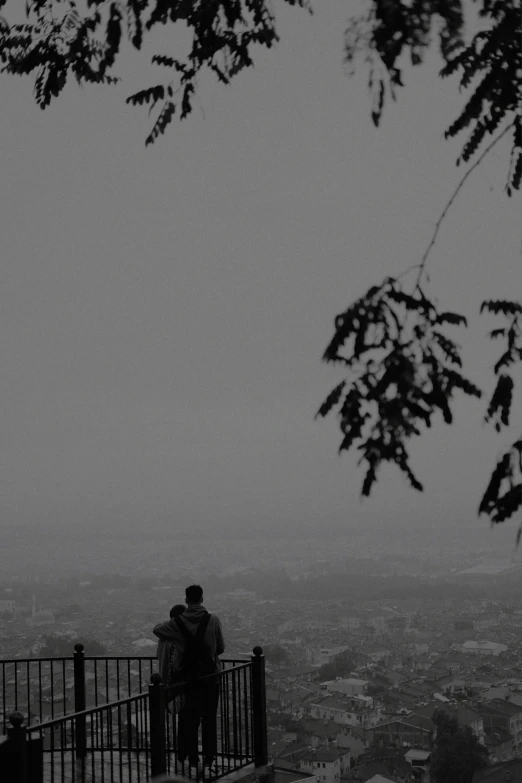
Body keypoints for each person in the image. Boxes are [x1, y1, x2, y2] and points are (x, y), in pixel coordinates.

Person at [153, 584, 225, 770]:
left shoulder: (177, 623)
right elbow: (221, 648)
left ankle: (193, 760)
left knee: (191, 720)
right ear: (202, 599)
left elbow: (157, 630)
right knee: (209, 719)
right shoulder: (213, 620)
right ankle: (209, 759)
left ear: (186, 600)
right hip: (210, 677)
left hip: (188, 679)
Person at [156, 603, 186, 687]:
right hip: (175, 679)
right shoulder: (178, 637)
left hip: (163, 677)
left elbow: (158, 655)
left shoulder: (162, 638)